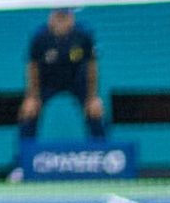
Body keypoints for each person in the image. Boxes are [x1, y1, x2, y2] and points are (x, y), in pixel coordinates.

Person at [19, 8, 105, 141]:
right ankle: (23, 158)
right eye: (58, 17)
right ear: (50, 18)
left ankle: (101, 152)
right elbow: (33, 68)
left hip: (77, 80)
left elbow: (92, 66)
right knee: (29, 111)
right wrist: (33, 97)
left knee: (95, 110)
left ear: (72, 19)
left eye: (65, 17)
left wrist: (92, 97)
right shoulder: (39, 37)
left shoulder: (84, 35)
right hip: (47, 81)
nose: (61, 22)